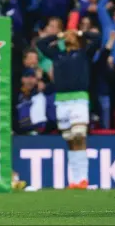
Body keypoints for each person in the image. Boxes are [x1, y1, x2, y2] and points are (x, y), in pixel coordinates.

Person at [36, 29, 101, 189]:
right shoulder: (57, 54)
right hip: (62, 101)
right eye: (67, 35)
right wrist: (57, 35)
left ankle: (83, 178)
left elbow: (98, 39)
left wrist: (80, 32)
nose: (69, 36)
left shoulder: (84, 53)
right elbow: (40, 44)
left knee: (79, 136)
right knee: (70, 140)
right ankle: (75, 180)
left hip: (79, 99)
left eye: (72, 36)